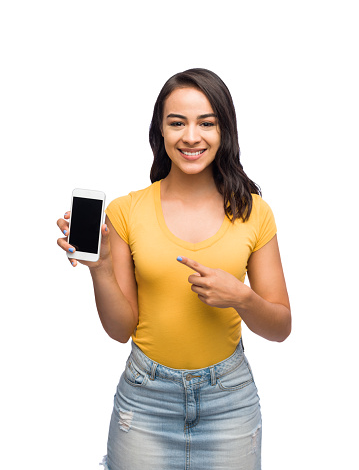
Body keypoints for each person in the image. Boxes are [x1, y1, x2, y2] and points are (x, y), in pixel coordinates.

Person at [57, 68, 291, 470]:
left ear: (224, 131)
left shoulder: (254, 212)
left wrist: (240, 297)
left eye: (207, 122)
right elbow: (120, 330)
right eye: (177, 122)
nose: (191, 136)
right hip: (146, 399)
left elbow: (281, 327)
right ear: (160, 132)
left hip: (229, 401)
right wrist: (103, 265)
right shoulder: (126, 212)